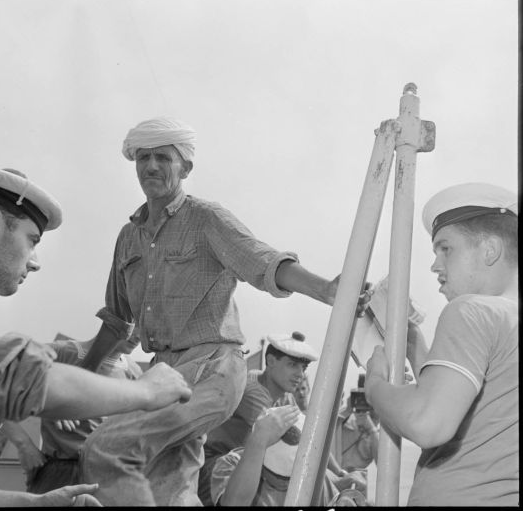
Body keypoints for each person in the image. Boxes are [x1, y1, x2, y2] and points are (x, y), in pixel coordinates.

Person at [78, 117, 373, 506]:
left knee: (107, 446)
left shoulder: (205, 219)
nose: (150, 166)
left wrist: (327, 290)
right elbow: (118, 322)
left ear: (186, 168)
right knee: (169, 487)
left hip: (212, 368)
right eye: (143, 157)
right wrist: (80, 382)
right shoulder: (128, 237)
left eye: (163, 157)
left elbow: (263, 262)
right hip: (164, 373)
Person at [0, 167, 192, 507]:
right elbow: (21, 376)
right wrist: (147, 391)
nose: (35, 262)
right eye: (32, 240)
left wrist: (36, 504)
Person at [365, 182, 518, 506]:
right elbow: (472, 409)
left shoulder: (472, 310)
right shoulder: (506, 320)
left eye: (445, 248)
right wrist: (414, 345)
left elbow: (428, 422)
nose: (435, 265)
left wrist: (375, 386)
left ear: (490, 250)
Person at [0, 325, 142, 494]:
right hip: (59, 475)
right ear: (113, 318)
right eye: (136, 324)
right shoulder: (61, 353)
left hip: (109, 477)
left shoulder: (134, 373)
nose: (140, 335)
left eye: (146, 324)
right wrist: (24, 445)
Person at [198, 331, 317, 505]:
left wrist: (338, 473)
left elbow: (306, 435)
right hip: (218, 467)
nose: (300, 374)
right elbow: (286, 441)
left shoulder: (286, 397)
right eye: (292, 365)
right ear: (270, 361)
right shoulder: (253, 392)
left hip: (250, 462)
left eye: (303, 368)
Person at [210, 405, 365, 506]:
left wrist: (345, 498)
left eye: (290, 477)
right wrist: (259, 439)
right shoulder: (231, 464)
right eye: (276, 474)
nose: (284, 483)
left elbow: (335, 496)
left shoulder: (310, 475)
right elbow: (234, 503)